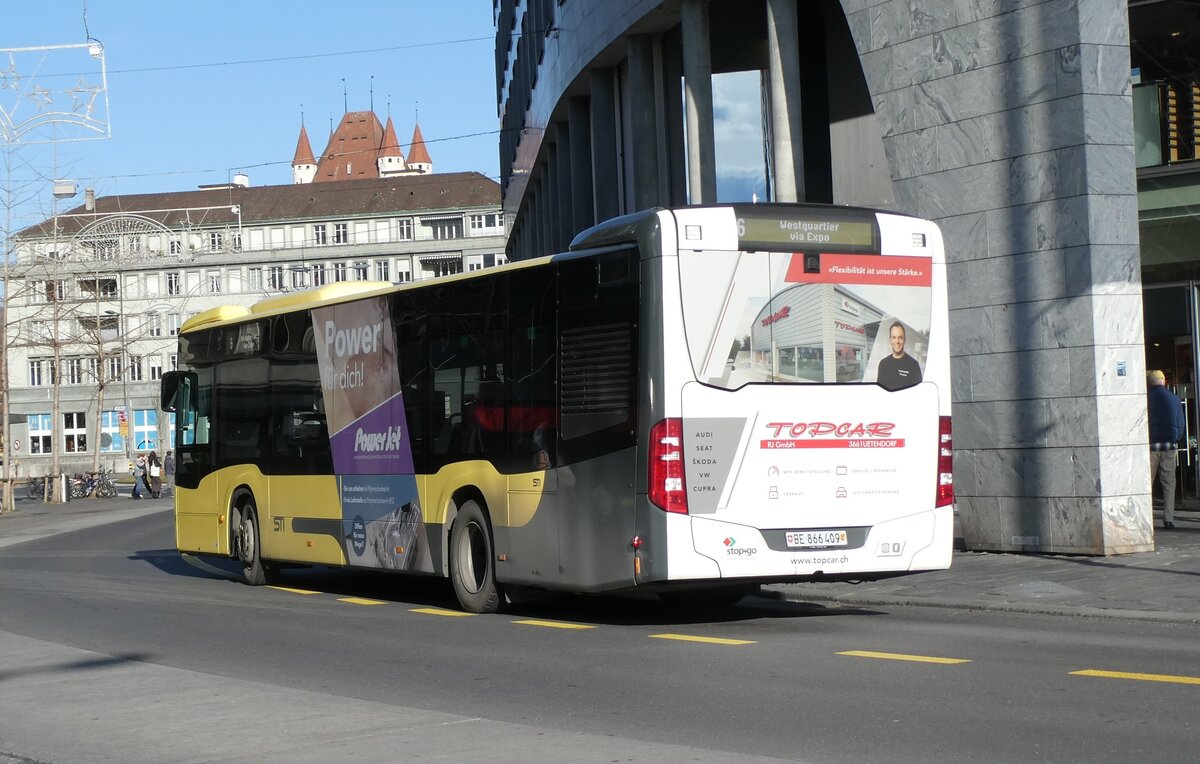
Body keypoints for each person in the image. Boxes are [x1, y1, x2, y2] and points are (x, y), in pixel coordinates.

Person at [1147, 369, 1186, 529]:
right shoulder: (1174, 399)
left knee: (1147, 482)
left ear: (1150, 383)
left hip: (1150, 446)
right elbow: (1181, 423)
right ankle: (1168, 519)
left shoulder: (1145, 398)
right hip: (1169, 445)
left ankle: (1146, 518)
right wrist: (1176, 439)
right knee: (1169, 483)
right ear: (1164, 382)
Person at [876, 321, 923, 390]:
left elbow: (918, 393)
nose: (897, 341)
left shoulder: (913, 365)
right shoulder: (883, 364)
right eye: (894, 337)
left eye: (900, 337)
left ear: (904, 339)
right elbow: (879, 392)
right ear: (890, 339)